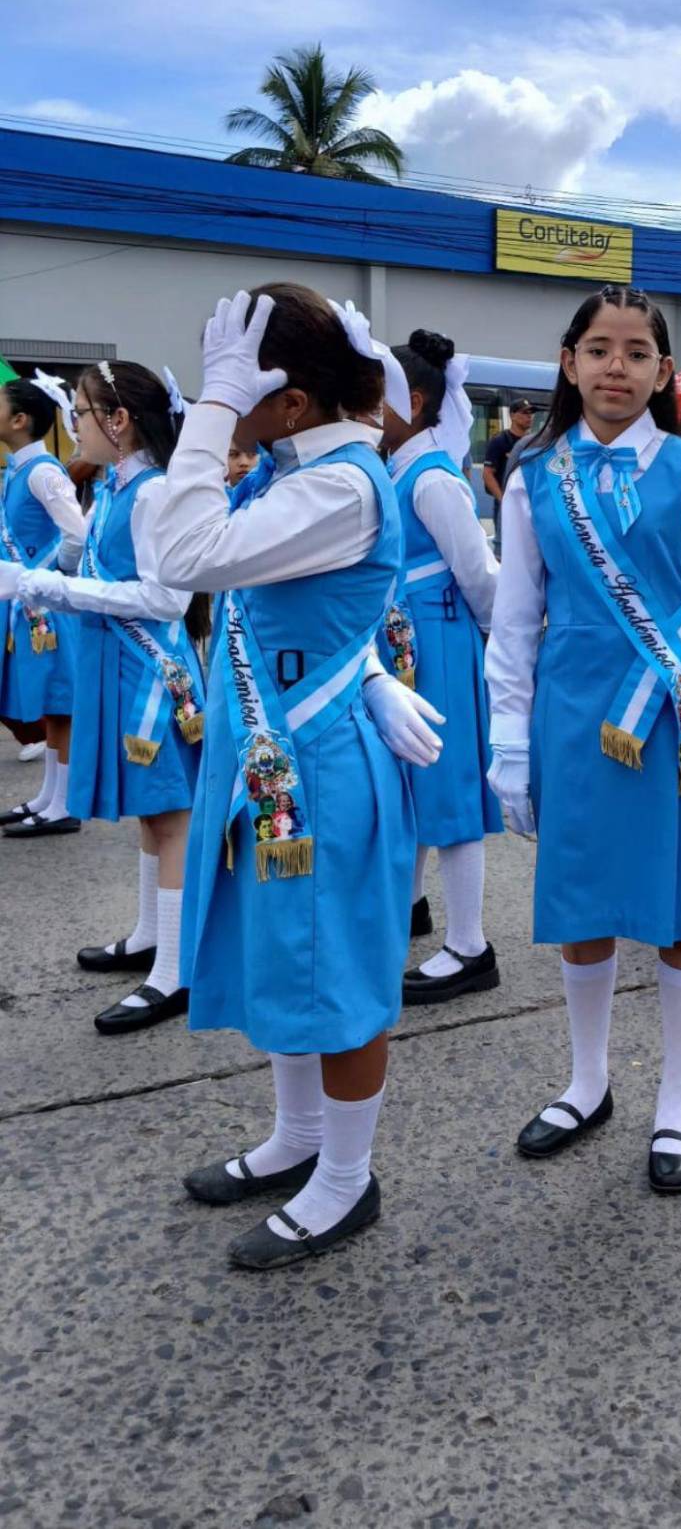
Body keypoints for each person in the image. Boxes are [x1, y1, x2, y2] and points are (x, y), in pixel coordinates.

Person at [146, 285, 445, 1271]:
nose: (220, 395)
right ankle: (300, 1135)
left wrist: (207, 416)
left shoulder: (342, 484)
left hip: (315, 769)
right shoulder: (297, 470)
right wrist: (365, 671)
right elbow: (303, 612)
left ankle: (347, 1177)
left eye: (240, 380)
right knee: (286, 952)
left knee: (339, 972)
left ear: (295, 397)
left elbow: (182, 555)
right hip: (275, 753)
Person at [485, 284, 681, 1195]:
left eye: (637, 352)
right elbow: (517, 618)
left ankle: (676, 1101)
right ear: (569, 362)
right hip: (572, 721)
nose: (617, 366)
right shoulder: (533, 475)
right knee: (586, 908)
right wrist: (510, 741)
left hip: (679, 724)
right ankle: (588, 1080)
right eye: (599, 348)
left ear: (663, 371)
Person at [6, 362, 207, 1030]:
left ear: (118, 422)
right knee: (152, 816)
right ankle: (152, 934)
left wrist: (51, 588)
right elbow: (94, 563)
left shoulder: (152, 494)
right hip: (118, 667)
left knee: (171, 815)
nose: (75, 429)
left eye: (82, 415)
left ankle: (175, 971)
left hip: (148, 674)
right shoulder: (120, 489)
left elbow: (165, 597)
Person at [378, 327, 503, 1004]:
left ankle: (470, 945)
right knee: (414, 778)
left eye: (380, 396)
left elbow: (480, 577)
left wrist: (490, 650)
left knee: (448, 785)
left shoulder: (432, 479)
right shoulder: (401, 467)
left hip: (441, 645)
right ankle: (415, 905)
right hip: (411, 644)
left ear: (417, 400)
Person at [0, 375, 86, 838]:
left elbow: (75, 535)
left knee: (61, 704)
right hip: (32, 603)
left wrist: (46, 578)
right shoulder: (18, 469)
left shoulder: (42, 472)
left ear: (20, 419)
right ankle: (50, 796)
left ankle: (65, 804)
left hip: (49, 606)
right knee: (51, 708)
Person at [483, 398, 535, 552]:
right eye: (525, 413)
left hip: (528, 504)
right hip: (506, 506)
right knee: (505, 549)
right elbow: (487, 474)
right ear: (512, 415)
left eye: (531, 413)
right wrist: (503, 498)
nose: (529, 417)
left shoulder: (534, 442)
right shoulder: (499, 441)